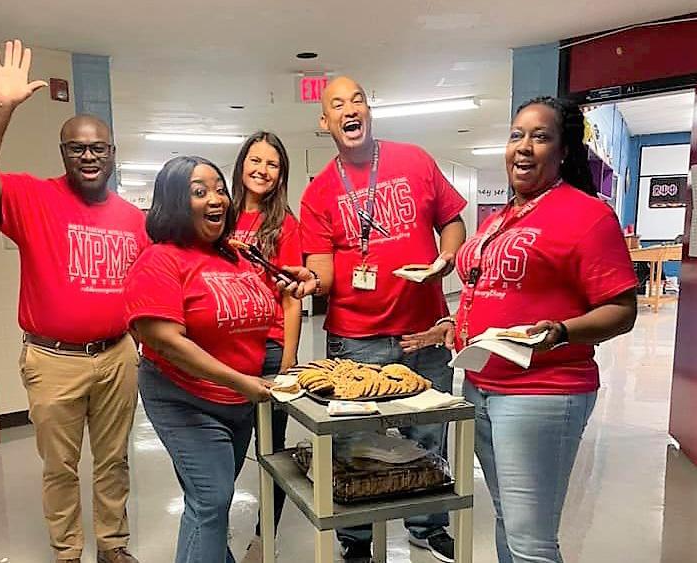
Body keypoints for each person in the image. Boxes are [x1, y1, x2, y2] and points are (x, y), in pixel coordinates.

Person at [433, 96, 638, 563]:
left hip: (542, 390)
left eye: (540, 137)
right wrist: (453, 323)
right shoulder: (501, 218)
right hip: (481, 385)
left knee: (531, 541)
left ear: (563, 151)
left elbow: (622, 310)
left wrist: (561, 331)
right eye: (516, 135)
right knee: (508, 520)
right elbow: (489, 287)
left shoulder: (587, 215)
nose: (523, 147)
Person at [285, 76, 467, 563]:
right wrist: (310, 282)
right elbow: (322, 269)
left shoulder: (415, 160)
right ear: (324, 122)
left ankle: (428, 526)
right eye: (337, 104)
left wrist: (445, 259)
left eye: (358, 100)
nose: (350, 109)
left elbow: (452, 220)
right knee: (355, 444)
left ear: (369, 110)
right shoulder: (318, 193)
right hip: (355, 340)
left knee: (428, 433)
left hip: (423, 329)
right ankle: (357, 539)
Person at [0, 40, 148, 563]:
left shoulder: (133, 219)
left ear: (113, 153)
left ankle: (113, 546)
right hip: (53, 360)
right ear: (63, 154)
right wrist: (1, 107)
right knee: (60, 467)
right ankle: (68, 551)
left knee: (115, 460)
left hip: (117, 356)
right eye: (77, 148)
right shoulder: (33, 197)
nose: (89, 156)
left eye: (99, 148)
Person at [124, 155, 277, 563]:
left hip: (237, 401)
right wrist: (240, 381)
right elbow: (165, 341)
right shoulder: (160, 259)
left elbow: (255, 311)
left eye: (220, 190)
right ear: (175, 201)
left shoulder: (234, 257)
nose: (216, 199)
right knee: (212, 499)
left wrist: (288, 284)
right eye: (199, 192)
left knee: (209, 500)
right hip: (185, 397)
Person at [231, 132, 302, 563]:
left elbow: (292, 297)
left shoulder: (286, 226)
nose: (262, 170)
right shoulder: (220, 217)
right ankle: (212, 527)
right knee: (224, 450)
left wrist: (289, 361)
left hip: (270, 350)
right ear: (241, 164)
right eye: (255, 160)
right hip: (225, 353)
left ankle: (264, 541)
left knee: (271, 452)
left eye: (272, 164)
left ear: (281, 175)